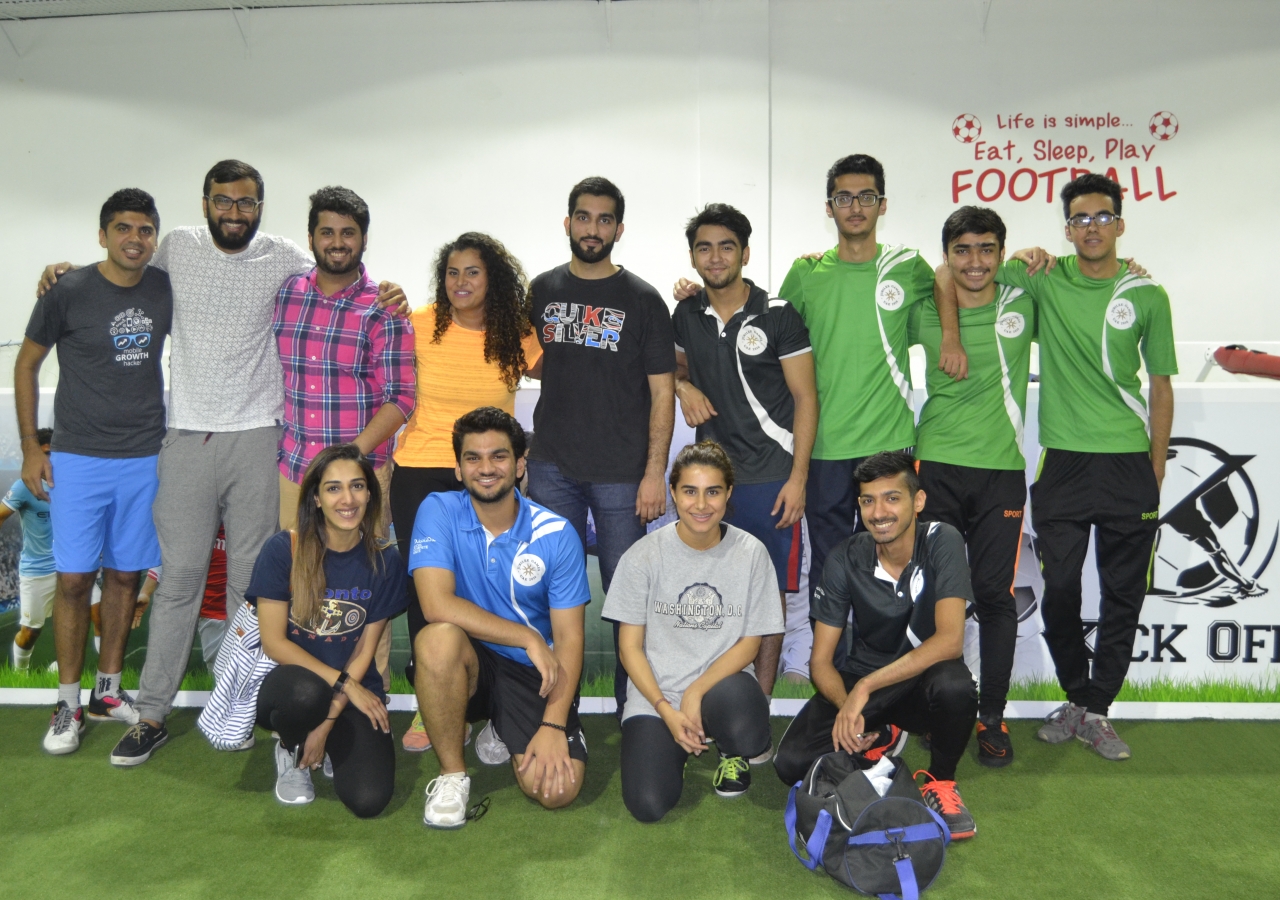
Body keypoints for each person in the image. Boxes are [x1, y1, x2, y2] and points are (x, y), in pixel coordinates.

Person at [37, 161, 407, 767]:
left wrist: (388, 288)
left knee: (250, 589)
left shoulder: (286, 256)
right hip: (184, 439)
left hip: (262, 440)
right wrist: (63, 272)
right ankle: (152, 713)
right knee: (179, 580)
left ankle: (245, 712)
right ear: (205, 201)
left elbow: (340, 274)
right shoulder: (175, 247)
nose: (234, 212)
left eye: (247, 203)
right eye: (223, 201)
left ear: (262, 207)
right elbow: (118, 267)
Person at [991, 173, 1177, 760]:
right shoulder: (1044, 279)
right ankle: (1076, 694)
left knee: (1124, 593)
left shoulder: (1147, 295)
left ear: (1120, 224)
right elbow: (967, 269)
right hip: (1064, 464)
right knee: (1062, 586)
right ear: (1066, 228)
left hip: (1127, 464)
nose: (1091, 227)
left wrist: (1155, 462)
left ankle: (1098, 710)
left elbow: (1161, 386)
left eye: (1102, 217)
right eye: (1079, 219)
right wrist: (1020, 253)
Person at [775, 155, 963, 643]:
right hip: (824, 447)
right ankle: (830, 669)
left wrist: (948, 337)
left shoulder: (906, 266)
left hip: (889, 444)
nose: (854, 206)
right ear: (829, 207)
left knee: (898, 563)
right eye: (843, 197)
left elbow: (949, 278)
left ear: (882, 205)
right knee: (832, 564)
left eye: (865, 197)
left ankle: (894, 670)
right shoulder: (806, 273)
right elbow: (768, 334)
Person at [16, 189, 172, 755]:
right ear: (102, 233)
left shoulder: (164, 285)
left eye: (146, 230)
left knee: (127, 576)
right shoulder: (68, 289)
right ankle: (67, 701)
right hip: (78, 459)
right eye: (123, 228)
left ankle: (108, 691)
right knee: (75, 580)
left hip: (145, 457)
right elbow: (27, 363)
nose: (136, 239)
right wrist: (33, 448)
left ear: (155, 236)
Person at [524, 177, 676, 715]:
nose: (593, 229)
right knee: (547, 592)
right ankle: (549, 709)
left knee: (626, 596)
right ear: (568, 223)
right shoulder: (540, 291)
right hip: (551, 467)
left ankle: (632, 707)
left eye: (604, 220)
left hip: (621, 472)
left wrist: (654, 471)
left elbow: (664, 391)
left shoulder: (642, 298)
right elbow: (515, 356)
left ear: (619, 228)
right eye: (583, 218)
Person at [774, 451, 980, 841]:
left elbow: (950, 641)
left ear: (917, 502)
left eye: (892, 498)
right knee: (790, 764)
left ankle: (942, 783)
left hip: (920, 681)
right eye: (868, 500)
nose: (878, 511)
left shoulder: (942, 540)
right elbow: (820, 661)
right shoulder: (845, 556)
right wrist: (847, 708)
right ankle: (879, 734)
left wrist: (865, 691)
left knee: (955, 685)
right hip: (864, 677)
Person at [390, 232, 543, 753]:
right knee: (426, 593)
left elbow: (572, 371)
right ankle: (427, 700)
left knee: (488, 587)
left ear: (492, 280)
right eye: (453, 273)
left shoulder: (515, 333)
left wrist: (677, 376)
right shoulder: (419, 324)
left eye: (472, 272)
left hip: (489, 474)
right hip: (421, 471)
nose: (461, 282)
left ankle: (492, 702)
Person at [669, 204, 817, 733]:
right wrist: (684, 386)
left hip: (773, 477)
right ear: (693, 256)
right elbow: (676, 367)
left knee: (768, 592)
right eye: (704, 248)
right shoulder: (686, 313)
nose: (715, 257)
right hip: (714, 481)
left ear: (745, 253)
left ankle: (762, 699)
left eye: (726, 246)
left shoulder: (777, 313)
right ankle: (716, 694)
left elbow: (805, 399)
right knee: (718, 587)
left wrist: (798, 478)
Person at [409, 407, 590, 829]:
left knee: (557, 792)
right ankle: (453, 774)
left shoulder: (556, 533)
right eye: (473, 457)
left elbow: (569, 640)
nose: (486, 468)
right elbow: (436, 604)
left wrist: (552, 722)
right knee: (436, 638)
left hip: (534, 672)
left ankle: (503, 727)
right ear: (457, 468)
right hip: (473, 659)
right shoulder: (438, 509)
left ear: (520, 463)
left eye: (499, 456)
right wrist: (526, 637)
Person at [909, 206, 1034, 767]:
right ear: (948, 255)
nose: (975, 261)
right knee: (937, 595)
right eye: (962, 250)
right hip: (936, 465)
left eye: (986, 249)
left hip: (1001, 472)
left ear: (1001, 253)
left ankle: (992, 717)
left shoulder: (1023, 298)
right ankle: (939, 711)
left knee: (994, 597)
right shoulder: (925, 310)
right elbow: (931, 280)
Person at [604, 441, 785, 822]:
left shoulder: (751, 553)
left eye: (713, 492)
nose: (701, 505)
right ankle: (679, 745)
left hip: (720, 688)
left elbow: (752, 643)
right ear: (673, 492)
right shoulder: (643, 556)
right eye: (689, 491)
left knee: (749, 732)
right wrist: (666, 711)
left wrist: (695, 692)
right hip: (657, 697)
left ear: (728, 493)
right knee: (648, 805)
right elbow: (629, 649)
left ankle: (729, 749)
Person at [245, 444, 405, 816]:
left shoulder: (384, 560)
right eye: (333, 488)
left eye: (357, 486)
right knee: (304, 694)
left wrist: (329, 723)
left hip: (349, 693)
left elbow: (365, 651)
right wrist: (344, 684)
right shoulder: (284, 549)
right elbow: (274, 643)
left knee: (369, 800)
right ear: (316, 498)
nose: (347, 499)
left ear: (370, 493)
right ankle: (289, 745)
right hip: (292, 689)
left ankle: (324, 741)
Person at [274, 186, 415, 529]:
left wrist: (352, 454)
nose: (337, 242)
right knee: (297, 573)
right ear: (310, 239)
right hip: (296, 470)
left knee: (365, 577)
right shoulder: (286, 294)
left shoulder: (385, 309)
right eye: (327, 232)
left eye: (348, 233)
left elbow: (402, 398)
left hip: (360, 472)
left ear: (364, 239)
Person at [138, 525, 229, 670]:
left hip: (250, 612)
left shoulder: (248, 519)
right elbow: (169, 558)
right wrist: (145, 592)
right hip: (212, 614)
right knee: (223, 674)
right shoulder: (194, 523)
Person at [4, 428, 56, 671]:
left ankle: (102, 680)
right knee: (31, 631)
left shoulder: (70, 482)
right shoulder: (25, 486)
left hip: (69, 567)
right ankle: (20, 674)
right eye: (45, 453)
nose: (49, 460)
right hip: (37, 570)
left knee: (96, 614)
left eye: (53, 454)